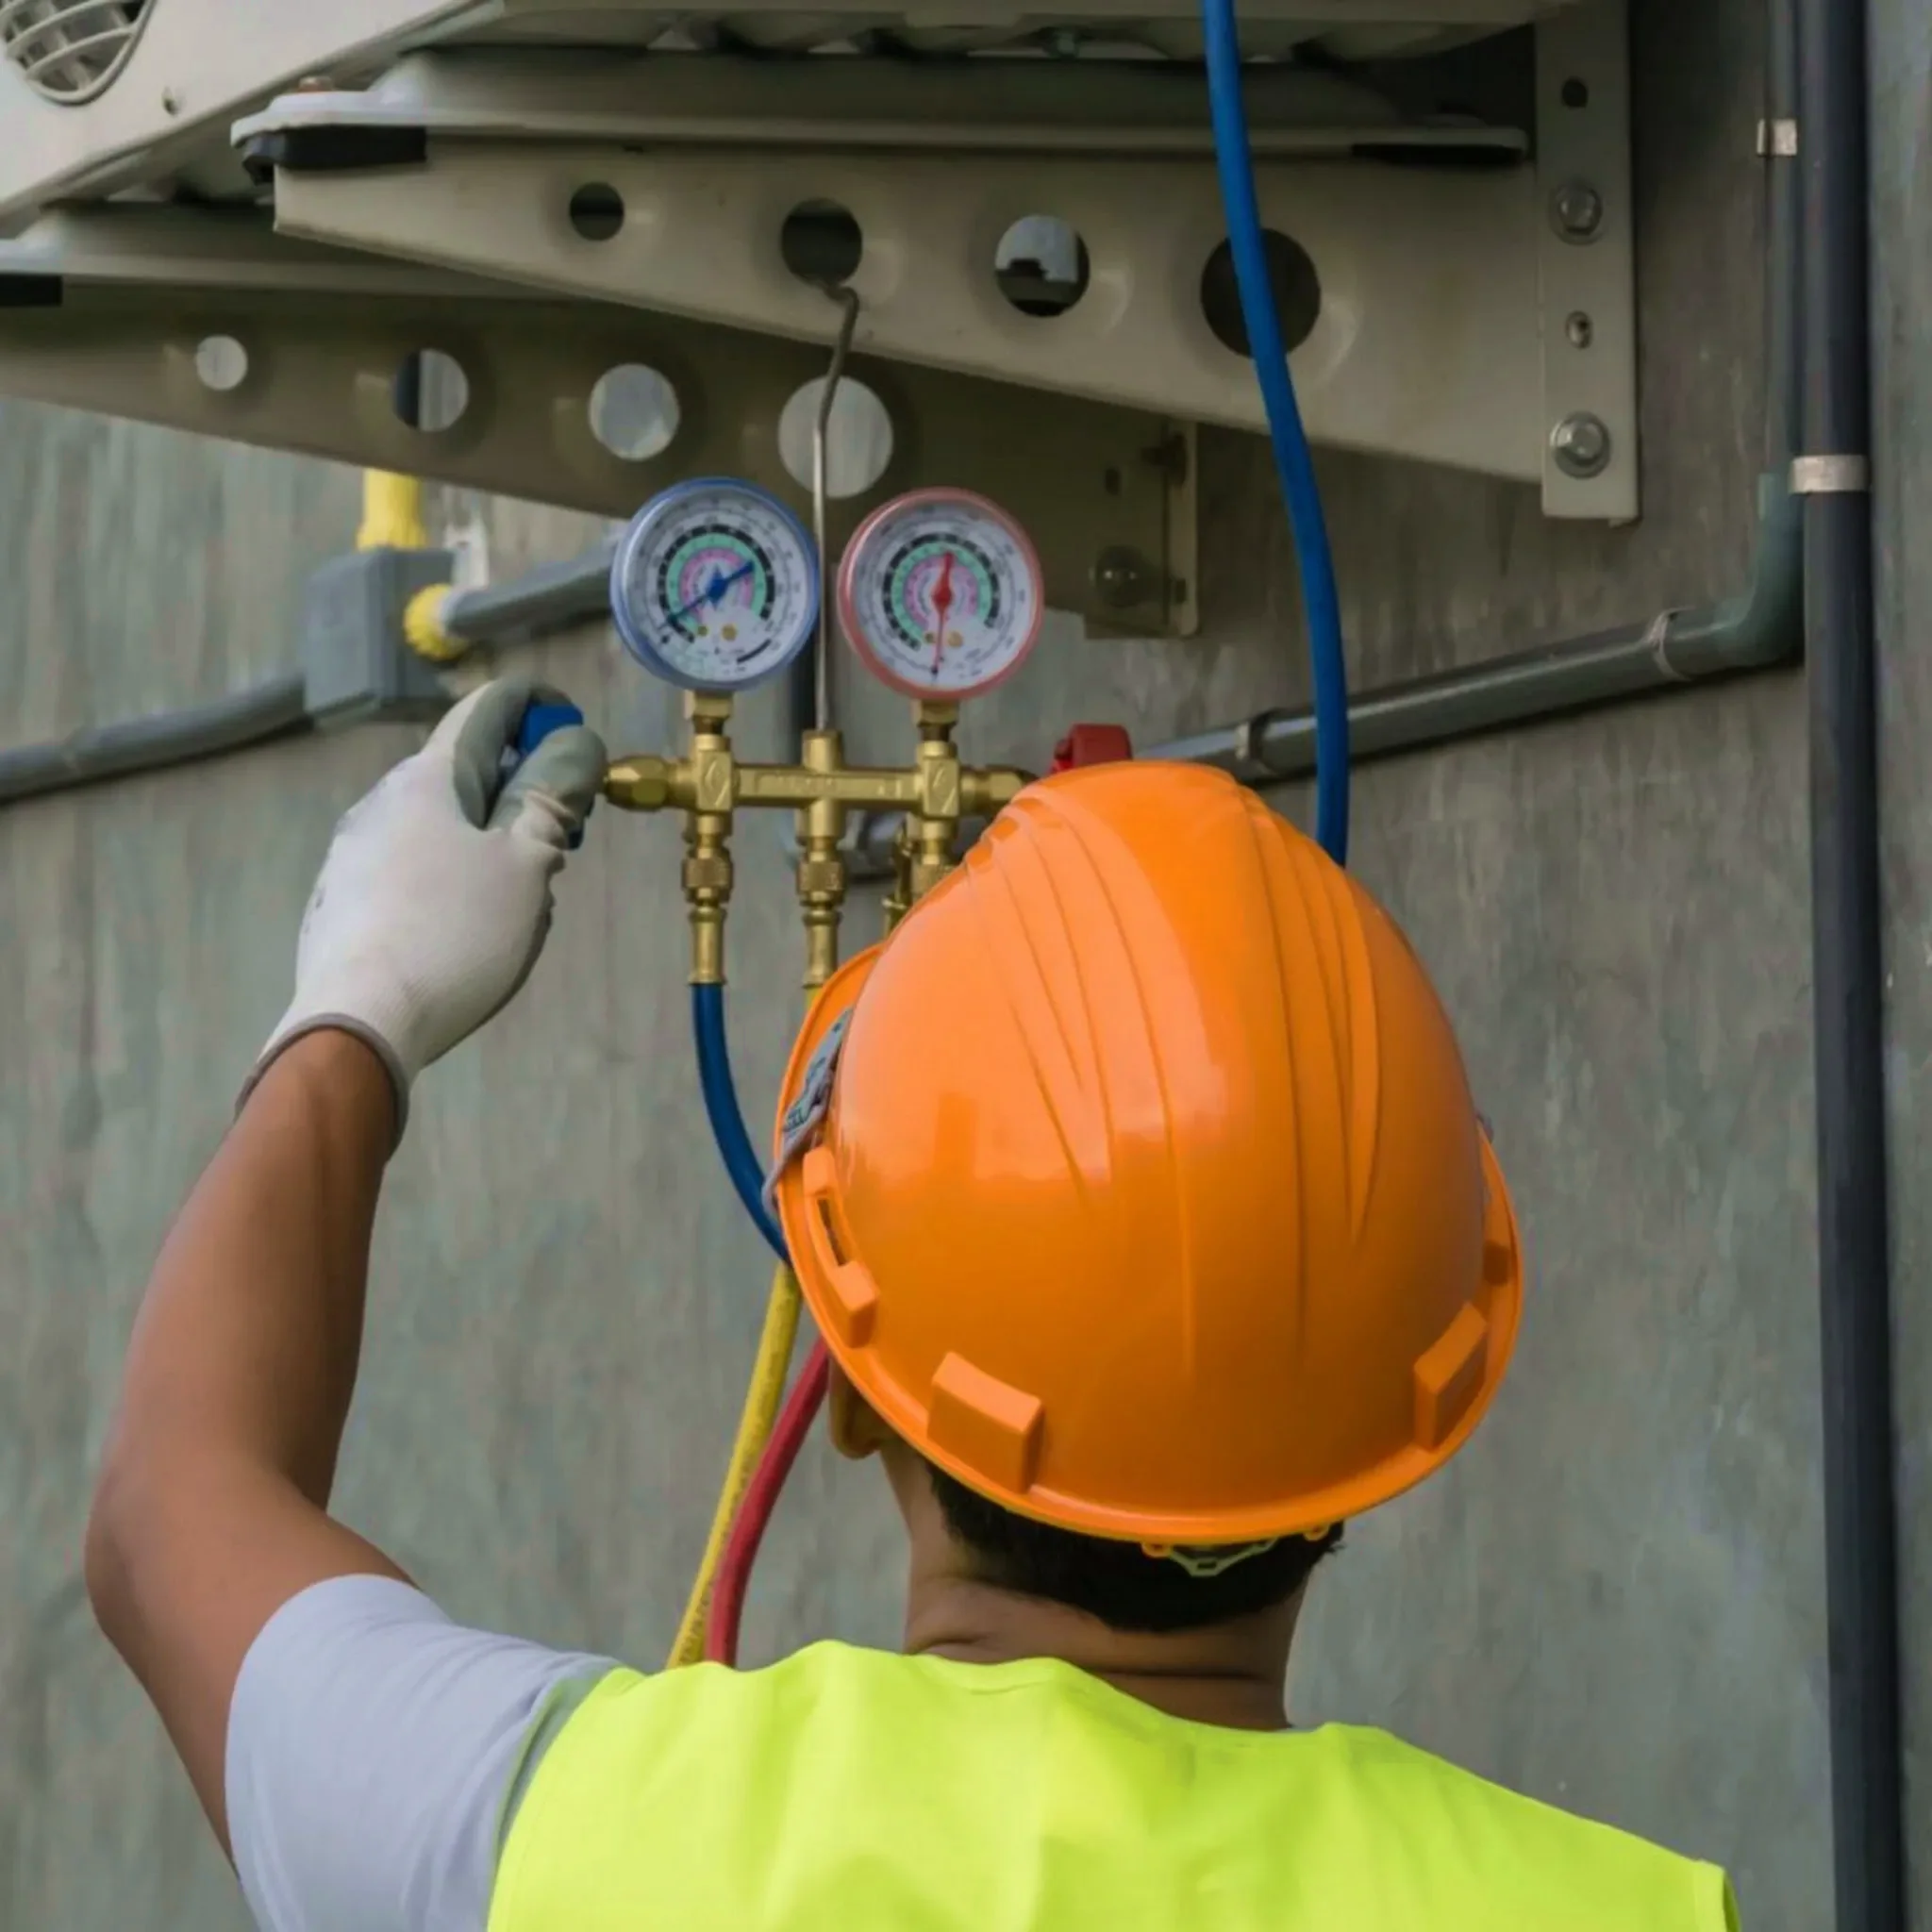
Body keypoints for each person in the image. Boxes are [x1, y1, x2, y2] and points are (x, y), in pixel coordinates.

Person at [86, 676, 1739, 1930]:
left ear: (855, 1392)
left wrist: (356, 1013)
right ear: (1405, 1417)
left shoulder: (568, 1839)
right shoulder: (1616, 1910)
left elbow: (173, 1513)